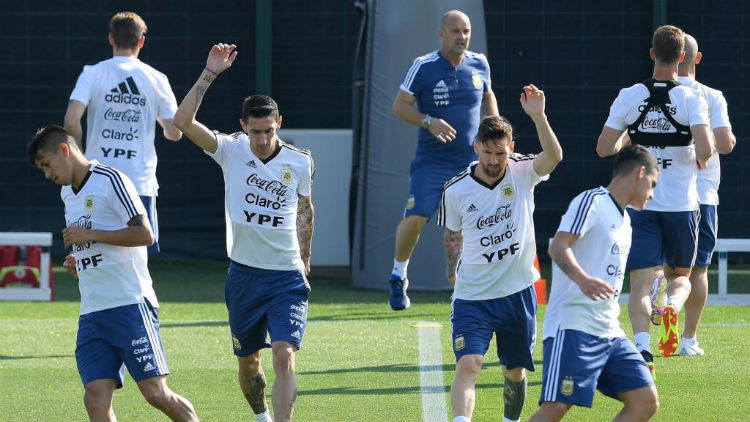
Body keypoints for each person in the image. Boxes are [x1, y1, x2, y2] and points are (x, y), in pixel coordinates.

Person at [172, 43, 314, 422]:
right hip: (244, 276)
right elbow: (182, 122)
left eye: (268, 131)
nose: (263, 139)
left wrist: (306, 261)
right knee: (249, 363)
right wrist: (210, 73)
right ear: (243, 127)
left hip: (286, 275)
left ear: (278, 124)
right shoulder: (230, 149)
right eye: (255, 132)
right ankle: (261, 417)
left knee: (285, 354)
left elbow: (304, 211)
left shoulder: (299, 161)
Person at [27, 125, 198, 422]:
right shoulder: (68, 193)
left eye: (47, 164)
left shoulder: (111, 179)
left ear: (64, 151)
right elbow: (93, 240)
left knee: (155, 393)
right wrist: (79, 260)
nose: (47, 174)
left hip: (129, 304)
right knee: (95, 398)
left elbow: (145, 234)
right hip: (92, 312)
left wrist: (89, 236)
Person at [438, 85, 562, 422]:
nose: (494, 160)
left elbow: (553, 157)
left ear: (511, 150)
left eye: (501, 153)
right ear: (476, 147)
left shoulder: (522, 172)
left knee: (515, 371)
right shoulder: (456, 189)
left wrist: (539, 116)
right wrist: (453, 273)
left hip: (517, 292)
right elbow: (452, 235)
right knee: (469, 364)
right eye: (488, 152)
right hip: (473, 296)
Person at [596, 25, 714, 370]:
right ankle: (672, 308)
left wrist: (630, 141)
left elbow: (604, 148)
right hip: (682, 204)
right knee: (680, 277)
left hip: (641, 203)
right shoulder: (692, 98)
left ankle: (642, 346)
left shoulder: (629, 95)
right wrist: (697, 157)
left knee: (641, 283)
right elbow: (706, 149)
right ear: (682, 57)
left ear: (651, 54)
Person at [530, 145, 659, 422]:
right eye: (653, 183)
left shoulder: (626, 222)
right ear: (640, 173)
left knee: (645, 400)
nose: (652, 193)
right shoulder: (592, 201)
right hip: (573, 325)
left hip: (610, 331)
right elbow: (558, 247)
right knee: (556, 408)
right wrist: (583, 280)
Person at [389, 9, 499, 310]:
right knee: (417, 217)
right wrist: (429, 121)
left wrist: (494, 128)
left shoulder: (480, 64)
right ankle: (399, 275)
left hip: (469, 163)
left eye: (466, 31)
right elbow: (400, 106)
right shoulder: (424, 66)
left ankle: (460, 285)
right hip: (432, 162)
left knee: (463, 227)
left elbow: (488, 97)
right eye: (455, 31)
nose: (461, 37)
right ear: (441, 33)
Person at [64, 11, 181, 254]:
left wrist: (79, 155)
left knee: (94, 254)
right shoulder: (157, 79)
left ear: (111, 38)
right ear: (141, 41)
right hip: (138, 182)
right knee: (137, 258)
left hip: (97, 179)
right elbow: (174, 133)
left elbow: (72, 120)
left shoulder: (93, 73)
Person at [649, 34, 736, 356]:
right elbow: (725, 145)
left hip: (654, 193)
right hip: (698, 195)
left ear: (657, 55)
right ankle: (688, 339)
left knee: (653, 267)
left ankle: (649, 320)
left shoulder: (646, 92)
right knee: (696, 271)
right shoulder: (710, 96)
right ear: (695, 58)